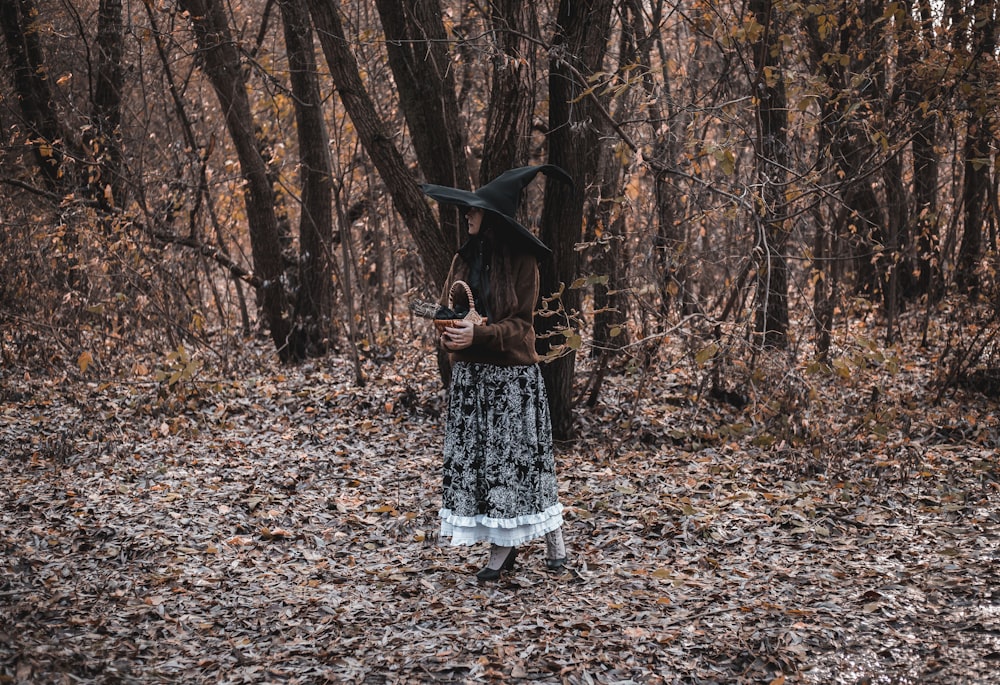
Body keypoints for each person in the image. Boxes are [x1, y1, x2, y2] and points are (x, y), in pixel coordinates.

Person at [420, 165, 572, 582]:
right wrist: (450, 330)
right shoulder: (464, 258)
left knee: (521, 468)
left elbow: (522, 327)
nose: (467, 215)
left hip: (511, 383)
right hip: (473, 383)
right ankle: (529, 545)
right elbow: (452, 310)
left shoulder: (523, 261)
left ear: (493, 217)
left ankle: (510, 552)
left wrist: (480, 335)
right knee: (489, 471)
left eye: (475, 210)